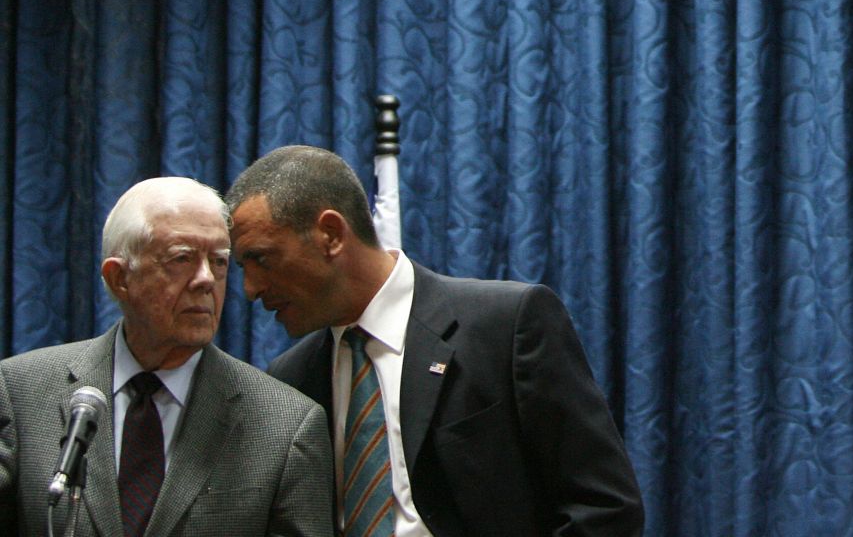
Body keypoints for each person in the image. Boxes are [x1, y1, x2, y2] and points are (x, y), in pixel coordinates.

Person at [225, 144, 643, 537]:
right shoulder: (292, 378)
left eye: (261, 258)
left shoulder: (505, 325)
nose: (249, 288)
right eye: (242, 267)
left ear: (331, 235)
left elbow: (602, 508)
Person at [0, 177, 332, 537]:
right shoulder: (21, 393)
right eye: (182, 258)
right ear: (119, 278)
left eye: (219, 262)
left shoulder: (285, 425)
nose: (206, 279)